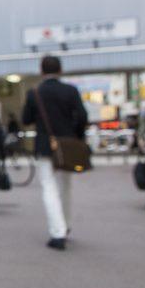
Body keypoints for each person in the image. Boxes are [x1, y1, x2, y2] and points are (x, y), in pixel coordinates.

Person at [21, 55, 88, 250]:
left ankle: (57, 232)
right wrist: (75, 135)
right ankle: (65, 226)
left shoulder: (35, 93)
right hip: (67, 145)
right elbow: (82, 116)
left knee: (48, 188)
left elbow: (26, 119)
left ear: (41, 71)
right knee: (65, 186)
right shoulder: (71, 91)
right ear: (60, 70)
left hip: (44, 145)